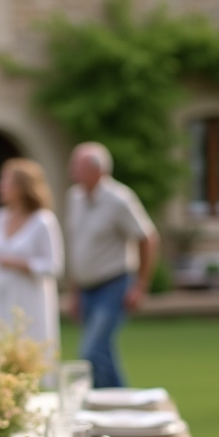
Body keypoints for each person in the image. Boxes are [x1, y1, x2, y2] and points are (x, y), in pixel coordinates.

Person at [63, 142, 158, 389]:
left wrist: (141, 285)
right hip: (86, 289)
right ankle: (124, 403)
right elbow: (76, 247)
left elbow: (147, 238)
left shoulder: (119, 199)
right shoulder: (74, 197)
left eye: (77, 165)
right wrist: (74, 292)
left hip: (113, 285)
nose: (71, 170)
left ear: (98, 171)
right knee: (103, 354)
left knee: (91, 352)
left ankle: (97, 405)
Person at [0, 158, 64, 358]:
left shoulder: (43, 221)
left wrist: (20, 264)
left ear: (22, 187)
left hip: (30, 300)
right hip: (0, 298)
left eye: (5, 180)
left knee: (30, 352)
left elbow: (54, 266)